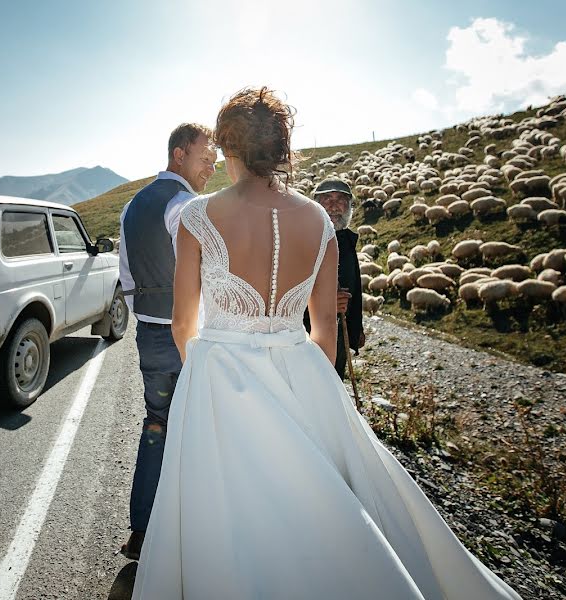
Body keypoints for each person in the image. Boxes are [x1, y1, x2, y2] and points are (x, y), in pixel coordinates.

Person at [131, 88, 522, 599]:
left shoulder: (198, 216)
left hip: (219, 379)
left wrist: (202, 373)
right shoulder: (319, 220)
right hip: (305, 374)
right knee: (328, 508)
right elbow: (325, 334)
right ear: (280, 148)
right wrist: (304, 385)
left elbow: (184, 322)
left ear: (230, 146)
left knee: (229, 522)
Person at [117, 123, 217, 560]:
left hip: (148, 337)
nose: (211, 168)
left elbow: (124, 277)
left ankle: (142, 531)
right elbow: (202, 273)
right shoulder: (186, 205)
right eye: (204, 159)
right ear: (179, 155)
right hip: (186, 335)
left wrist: (145, 313)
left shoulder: (131, 207)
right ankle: (189, 538)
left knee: (156, 426)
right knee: (199, 429)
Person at [304, 177, 365, 382]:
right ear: (315, 204)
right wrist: (325, 303)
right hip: (308, 334)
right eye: (327, 199)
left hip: (340, 332)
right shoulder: (305, 239)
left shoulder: (347, 240)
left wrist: (357, 328)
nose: (334, 205)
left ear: (349, 206)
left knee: (334, 382)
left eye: (340, 199)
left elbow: (355, 288)